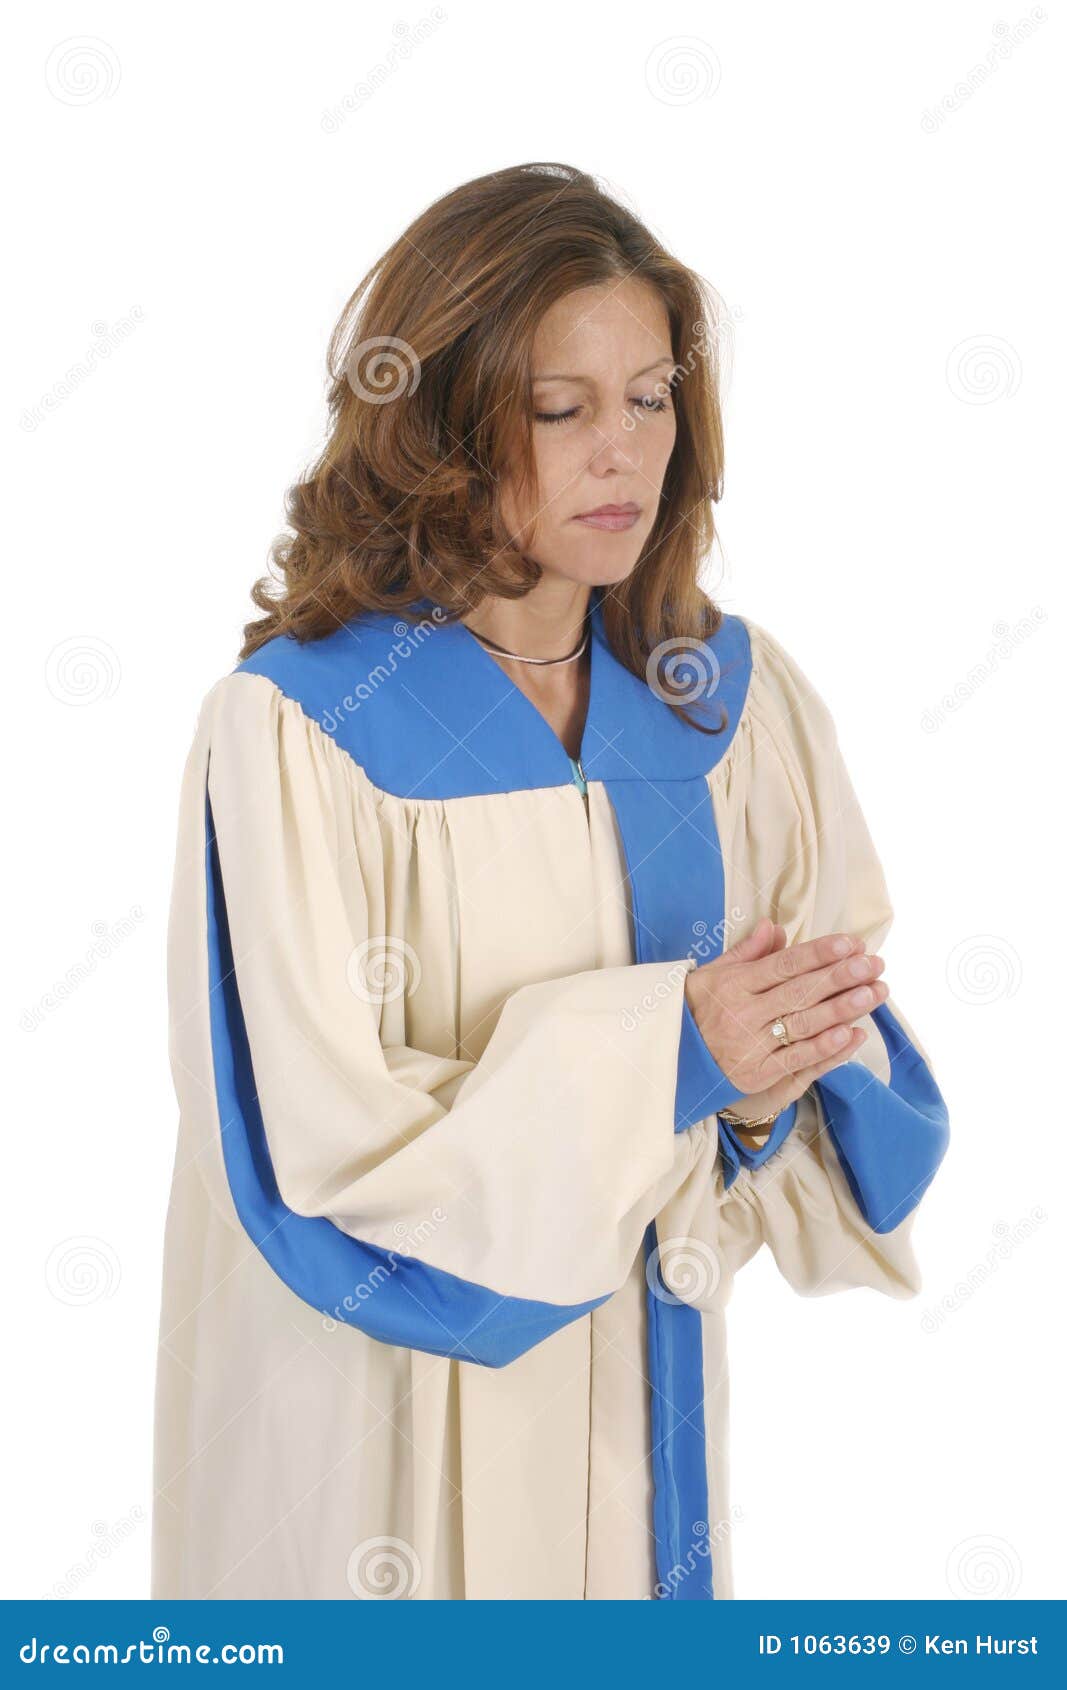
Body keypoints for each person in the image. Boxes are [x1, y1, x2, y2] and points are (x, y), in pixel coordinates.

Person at [153, 162, 949, 1601]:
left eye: (650, 399)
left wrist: (764, 1087)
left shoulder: (726, 706)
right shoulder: (299, 729)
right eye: (560, 407)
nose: (622, 453)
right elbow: (324, 1145)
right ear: (444, 426)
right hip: (368, 1427)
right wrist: (674, 1051)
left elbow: (841, 1055)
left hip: (637, 1419)